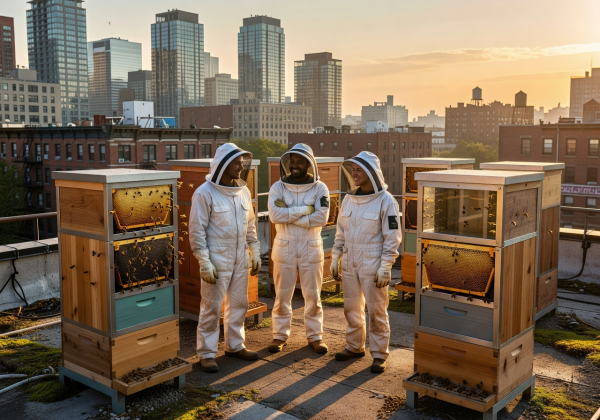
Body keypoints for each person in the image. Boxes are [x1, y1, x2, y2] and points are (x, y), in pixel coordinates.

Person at [189, 143, 261, 373]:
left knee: (239, 303)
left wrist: (255, 250)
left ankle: (235, 345)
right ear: (222, 165)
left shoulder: (244, 191)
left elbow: (250, 225)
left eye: (242, 162)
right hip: (216, 256)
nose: (241, 166)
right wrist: (204, 261)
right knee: (211, 306)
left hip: (240, 255)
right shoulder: (204, 193)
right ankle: (207, 353)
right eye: (237, 163)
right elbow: (196, 230)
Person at [330, 151, 401, 373]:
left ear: (371, 172)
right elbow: (341, 230)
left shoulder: (387, 201)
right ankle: (354, 346)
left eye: (359, 170)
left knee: (377, 309)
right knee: (351, 306)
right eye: (353, 170)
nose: (354, 173)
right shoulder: (349, 198)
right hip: (350, 258)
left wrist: (386, 265)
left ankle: (379, 354)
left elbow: (393, 236)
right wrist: (335, 255)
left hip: (374, 260)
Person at [268, 144, 330, 354]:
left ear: (309, 164)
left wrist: (291, 214)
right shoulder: (278, 187)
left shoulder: (320, 188)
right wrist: (305, 211)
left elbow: (322, 217)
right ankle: (279, 335)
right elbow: (275, 216)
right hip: (284, 246)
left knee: (313, 296)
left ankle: (315, 336)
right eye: (292, 161)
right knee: (282, 295)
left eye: (300, 162)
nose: (295, 166)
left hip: (310, 246)